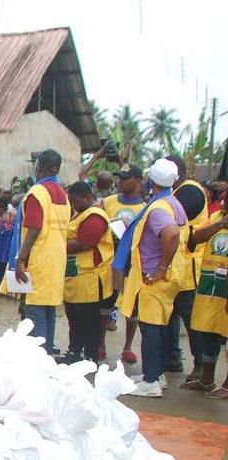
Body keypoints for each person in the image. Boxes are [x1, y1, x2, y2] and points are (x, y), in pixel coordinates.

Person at [114, 159, 185, 398]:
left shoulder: (158, 209)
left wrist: (161, 267)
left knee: (151, 328)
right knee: (159, 327)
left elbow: (171, 234)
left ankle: (151, 381)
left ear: (150, 181)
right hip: (166, 275)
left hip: (153, 277)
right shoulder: (172, 202)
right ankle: (156, 374)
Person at [8, 149, 69, 354]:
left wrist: (21, 259)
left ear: (38, 166)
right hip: (56, 258)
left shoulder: (38, 193)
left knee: (34, 313)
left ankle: (39, 358)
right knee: (48, 311)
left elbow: (34, 227)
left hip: (39, 259)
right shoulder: (62, 193)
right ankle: (47, 353)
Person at [165, 154, 209, 376]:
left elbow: (173, 216)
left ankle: (201, 364)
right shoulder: (177, 191)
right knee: (172, 314)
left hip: (188, 267)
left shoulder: (190, 191)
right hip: (177, 265)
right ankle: (172, 357)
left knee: (190, 318)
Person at [63, 182, 114, 363]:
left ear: (87, 197)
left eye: (76, 201)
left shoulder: (95, 216)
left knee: (89, 319)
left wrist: (56, 246)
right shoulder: (79, 215)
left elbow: (85, 243)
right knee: (74, 317)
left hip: (89, 276)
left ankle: (91, 355)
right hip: (74, 275)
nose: (73, 205)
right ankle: (74, 352)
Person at [183, 209, 228, 396]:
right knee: (208, 330)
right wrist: (220, 223)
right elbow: (196, 238)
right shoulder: (217, 216)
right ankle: (207, 380)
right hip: (209, 285)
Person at [105, 164, 147, 363]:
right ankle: (100, 344)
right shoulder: (108, 202)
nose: (120, 182)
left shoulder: (145, 207)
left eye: (125, 178)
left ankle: (128, 347)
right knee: (105, 303)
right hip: (109, 259)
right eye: (119, 178)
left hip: (131, 262)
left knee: (132, 307)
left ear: (137, 181)